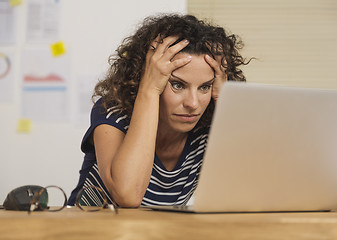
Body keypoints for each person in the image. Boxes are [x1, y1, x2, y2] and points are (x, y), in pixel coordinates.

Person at [68, 13, 249, 207]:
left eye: (205, 87)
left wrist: (225, 101)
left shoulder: (209, 127)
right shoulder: (113, 112)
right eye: (178, 85)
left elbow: (248, 193)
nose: (193, 104)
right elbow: (128, 195)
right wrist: (149, 89)